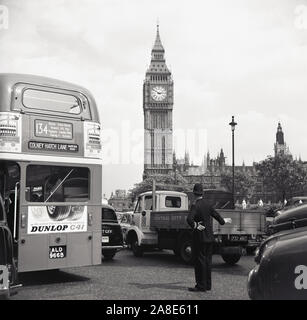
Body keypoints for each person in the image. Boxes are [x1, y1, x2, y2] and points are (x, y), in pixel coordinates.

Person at [187, 183, 232, 292]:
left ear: (194, 194)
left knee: (199, 262)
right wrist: (224, 221)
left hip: (200, 238)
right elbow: (216, 216)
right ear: (202, 193)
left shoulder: (195, 205)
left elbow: (189, 220)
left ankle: (200, 286)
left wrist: (198, 226)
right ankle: (207, 285)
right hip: (209, 238)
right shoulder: (208, 204)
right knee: (207, 262)